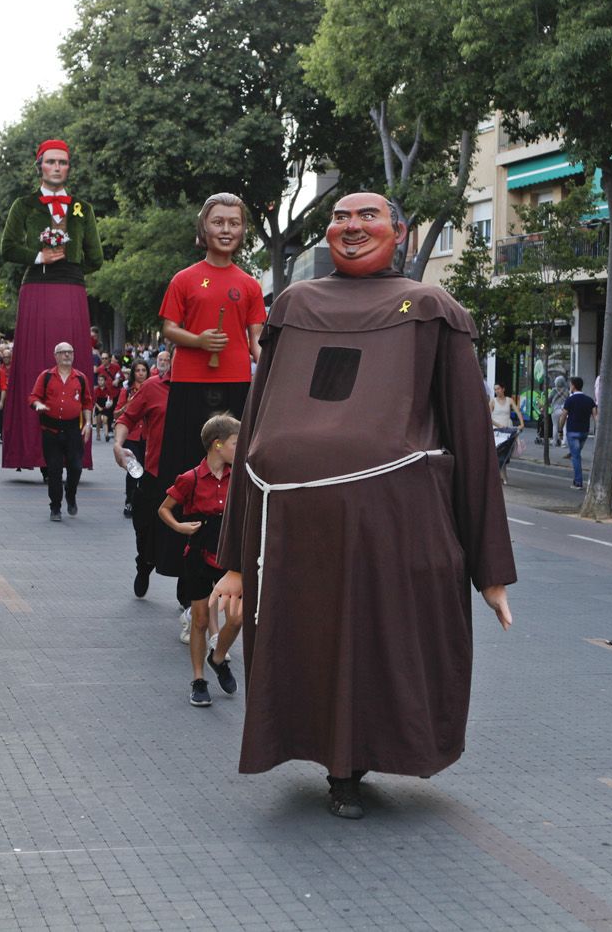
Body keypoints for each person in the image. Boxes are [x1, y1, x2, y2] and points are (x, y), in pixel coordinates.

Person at [210, 191, 514, 820]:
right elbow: (256, 431)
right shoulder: (294, 305)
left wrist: (490, 572)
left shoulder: (431, 309)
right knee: (313, 644)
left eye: (368, 216)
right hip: (294, 530)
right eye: (341, 217)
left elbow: (471, 443)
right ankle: (334, 764)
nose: (352, 227)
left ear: (399, 232)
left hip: (392, 529)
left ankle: (354, 762)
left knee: (376, 646)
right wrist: (237, 560)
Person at [153, 193, 266, 585]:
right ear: (204, 228)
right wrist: (199, 341)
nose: (226, 230)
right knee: (189, 476)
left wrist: (273, 368)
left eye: (234, 223)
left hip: (236, 387)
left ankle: (229, 568)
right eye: (218, 222)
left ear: (243, 230)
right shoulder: (183, 279)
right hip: (189, 387)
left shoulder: (250, 285)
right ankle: (186, 583)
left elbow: (256, 342)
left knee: (235, 480)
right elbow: (168, 329)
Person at [0, 139, 103, 470]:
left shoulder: (81, 208)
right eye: (51, 162)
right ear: (40, 165)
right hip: (37, 289)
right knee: (33, 366)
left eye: (63, 163)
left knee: (74, 366)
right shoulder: (24, 205)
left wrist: (69, 265)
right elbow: (7, 247)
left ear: (69, 167)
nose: (57, 167)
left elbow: (96, 258)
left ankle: (70, 452)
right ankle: (33, 451)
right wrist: (39, 256)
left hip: (70, 290)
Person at [158, 413, 242, 707]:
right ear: (217, 445)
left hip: (230, 557)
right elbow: (164, 509)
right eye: (235, 442)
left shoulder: (240, 477)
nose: (240, 446)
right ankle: (198, 679)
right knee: (201, 620)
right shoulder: (190, 477)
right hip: (198, 555)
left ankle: (217, 658)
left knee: (237, 617)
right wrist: (179, 526)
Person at [113, 350, 171, 597]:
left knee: (189, 536)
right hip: (155, 472)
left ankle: (187, 594)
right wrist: (118, 445)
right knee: (144, 527)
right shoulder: (153, 387)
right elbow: (126, 418)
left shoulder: (202, 391)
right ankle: (144, 565)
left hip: (191, 476)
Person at [29, 342, 93, 521]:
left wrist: (88, 423)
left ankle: (70, 495)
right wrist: (38, 404)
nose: (67, 355)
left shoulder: (80, 378)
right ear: (55, 356)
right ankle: (55, 507)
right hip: (51, 430)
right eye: (63, 352)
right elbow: (33, 397)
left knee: (76, 467)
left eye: (70, 352)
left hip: (73, 430)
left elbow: (87, 402)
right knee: (54, 470)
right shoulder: (46, 376)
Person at [113, 359, 152, 516]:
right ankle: (129, 501)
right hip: (132, 435)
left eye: (143, 370)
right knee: (133, 469)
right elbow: (116, 414)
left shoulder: (152, 388)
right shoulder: (127, 390)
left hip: (148, 436)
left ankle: (141, 501)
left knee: (146, 470)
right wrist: (127, 405)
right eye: (138, 370)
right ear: (133, 373)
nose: (141, 373)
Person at [555, 376, 596, 490]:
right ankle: (577, 480)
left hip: (572, 431)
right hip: (584, 432)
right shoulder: (589, 400)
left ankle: (578, 482)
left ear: (573, 385)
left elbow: (563, 416)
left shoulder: (570, 400)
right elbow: (596, 416)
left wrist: (560, 430)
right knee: (577, 454)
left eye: (570, 384)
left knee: (576, 457)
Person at [489, 382, 524, 484]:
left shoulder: (509, 400)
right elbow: (488, 416)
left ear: (503, 389)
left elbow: (518, 412)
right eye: (495, 389)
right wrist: (498, 425)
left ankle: (502, 475)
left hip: (507, 430)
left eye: (498, 389)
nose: (497, 391)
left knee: (505, 453)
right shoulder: (493, 401)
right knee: (498, 453)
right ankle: (501, 475)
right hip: (496, 430)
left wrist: (521, 423)